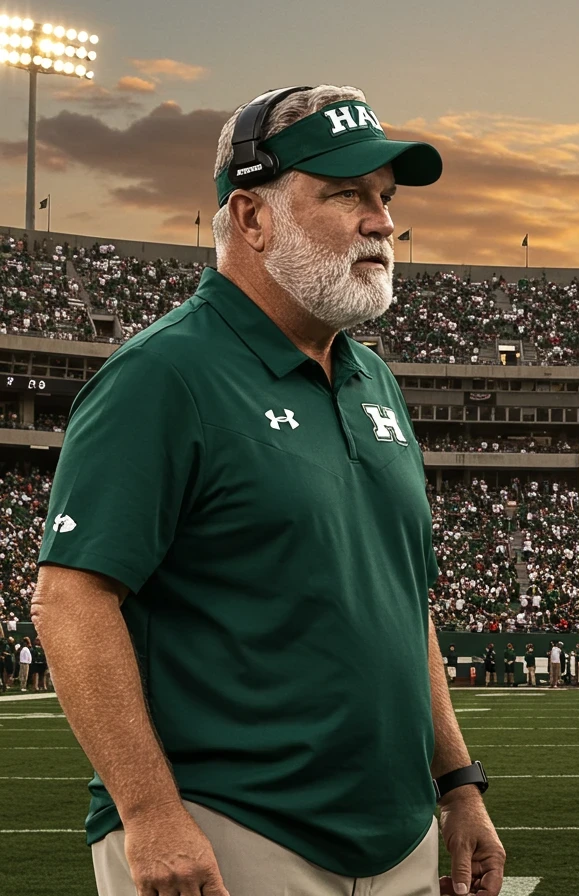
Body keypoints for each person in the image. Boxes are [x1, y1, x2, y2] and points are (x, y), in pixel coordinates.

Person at [32, 85, 505, 896]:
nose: (381, 222)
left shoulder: (374, 382)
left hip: (396, 834)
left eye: (384, 199)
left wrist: (458, 783)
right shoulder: (163, 374)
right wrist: (148, 813)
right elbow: (71, 599)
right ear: (251, 217)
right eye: (346, 194)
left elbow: (402, 600)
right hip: (227, 832)